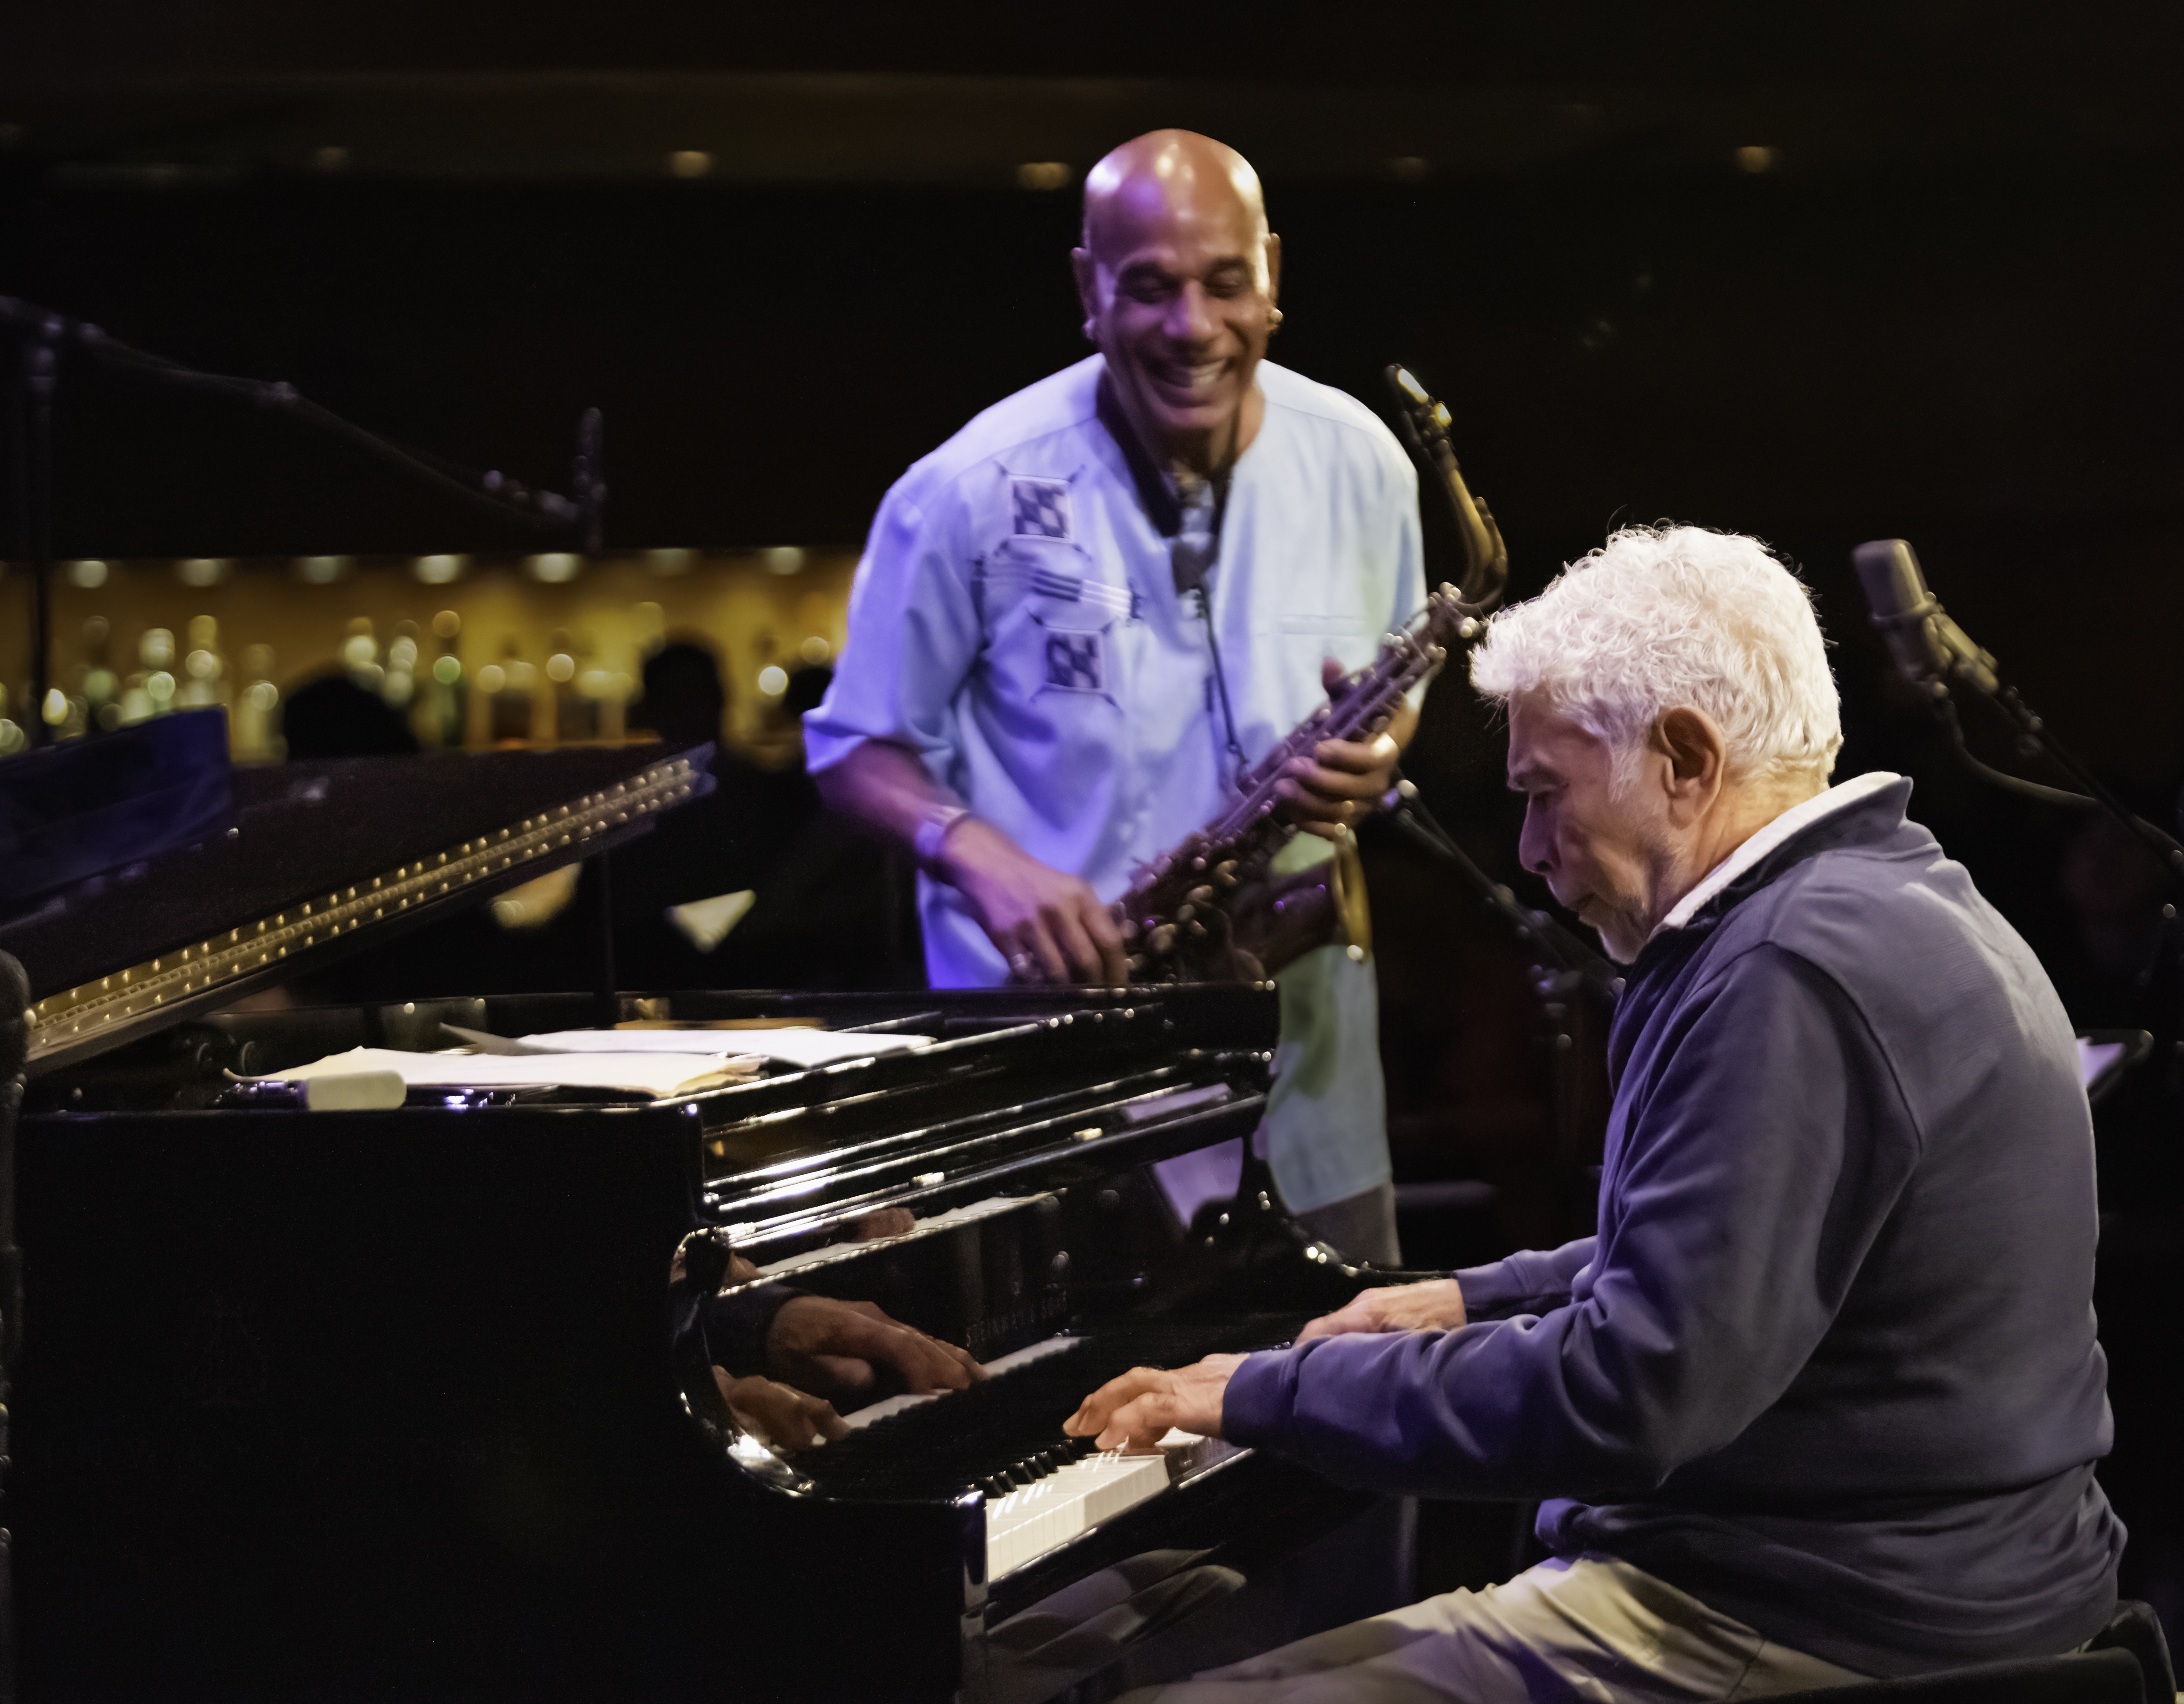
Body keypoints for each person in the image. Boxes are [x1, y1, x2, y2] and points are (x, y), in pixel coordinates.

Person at [1067, 526, 2123, 1701]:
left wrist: (1263, 1393)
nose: (1524, 851)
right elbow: (1738, 1250)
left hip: (1809, 1617)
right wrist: (1473, 1298)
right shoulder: (1891, 901)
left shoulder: (1790, 969)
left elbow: (1629, 1393)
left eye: (1541, 795)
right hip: (1921, 1584)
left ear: (1681, 758)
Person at [806, 130, 1425, 1262]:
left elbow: (1394, 686)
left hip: (1311, 1105)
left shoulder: (1367, 462)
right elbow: (852, 747)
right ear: (1088, 289)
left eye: (1224, 282)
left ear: (1271, 273)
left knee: (1339, 1423)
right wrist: (978, 851)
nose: (1193, 327)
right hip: (1056, 1109)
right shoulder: (965, 489)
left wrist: (1376, 753)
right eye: (1149, 288)